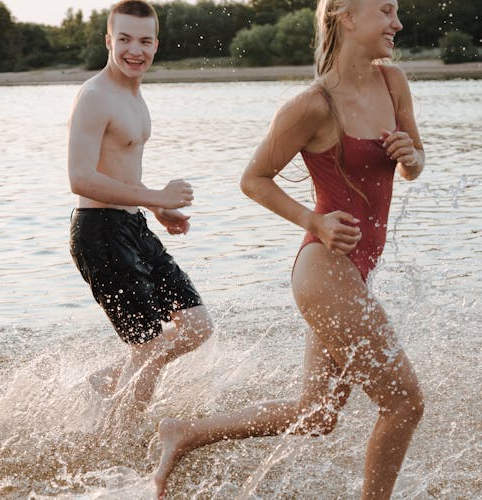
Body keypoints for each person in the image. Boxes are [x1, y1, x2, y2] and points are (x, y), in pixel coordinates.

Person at [153, 0, 424, 497]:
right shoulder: (313, 104)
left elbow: (414, 164)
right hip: (323, 272)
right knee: (404, 402)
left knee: (316, 413)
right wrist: (313, 220)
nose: (397, 23)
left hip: (355, 274)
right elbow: (253, 179)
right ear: (347, 15)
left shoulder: (394, 82)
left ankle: (185, 433)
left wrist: (411, 156)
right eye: (386, 10)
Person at [68, 0, 212, 419]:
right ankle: (124, 441)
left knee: (197, 326)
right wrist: (158, 197)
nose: (136, 49)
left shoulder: (134, 94)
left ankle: (106, 382)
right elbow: (80, 178)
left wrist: (156, 208)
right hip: (99, 231)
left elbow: (120, 171)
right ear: (108, 40)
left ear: (156, 45)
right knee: (147, 345)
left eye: (145, 40)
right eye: (125, 39)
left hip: (131, 225)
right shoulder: (95, 96)